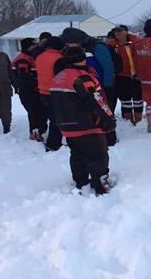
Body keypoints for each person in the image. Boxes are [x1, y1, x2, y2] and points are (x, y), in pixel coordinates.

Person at [50, 46, 115, 195]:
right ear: (81, 58)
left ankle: (81, 182)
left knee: (77, 154)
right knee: (98, 156)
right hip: (87, 124)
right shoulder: (82, 77)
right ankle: (100, 184)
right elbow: (96, 100)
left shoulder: (59, 77)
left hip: (67, 125)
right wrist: (107, 118)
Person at [11, 37, 47, 142]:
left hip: (35, 90)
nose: (36, 46)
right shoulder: (23, 59)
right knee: (34, 112)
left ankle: (40, 130)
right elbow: (24, 78)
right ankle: (35, 132)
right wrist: (36, 85)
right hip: (28, 91)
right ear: (28, 46)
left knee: (41, 111)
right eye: (33, 45)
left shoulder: (33, 56)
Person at [106, 25, 143, 125]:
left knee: (137, 98)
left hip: (135, 75)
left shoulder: (136, 42)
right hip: (121, 76)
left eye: (120, 31)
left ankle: (138, 119)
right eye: (116, 32)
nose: (118, 34)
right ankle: (128, 120)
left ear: (126, 32)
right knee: (124, 99)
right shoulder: (112, 45)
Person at [36, 36, 65, 151]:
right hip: (55, 92)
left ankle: (53, 142)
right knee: (56, 120)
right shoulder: (59, 58)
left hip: (42, 91)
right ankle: (53, 145)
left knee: (52, 117)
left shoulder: (40, 57)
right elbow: (61, 76)